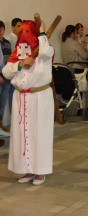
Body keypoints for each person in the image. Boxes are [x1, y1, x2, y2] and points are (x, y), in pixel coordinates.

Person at [2, 20, 54, 185]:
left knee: (39, 134)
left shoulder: (45, 50)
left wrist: (43, 33)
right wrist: (20, 64)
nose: (24, 34)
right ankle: (28, 170)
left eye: (28, 31)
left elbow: (46, 52)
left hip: (39, 98)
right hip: (20, 98)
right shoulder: (18, 51)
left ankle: (40, 171)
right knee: (22, 135)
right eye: (21, 31)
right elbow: (6, 71)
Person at [0, 20, 11, 137]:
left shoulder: (7, 43)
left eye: (1, 30)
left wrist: (11, 74)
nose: (0, 32)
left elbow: (10, 59)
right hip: (0, 75)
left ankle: (1, 125)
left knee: (2, 104)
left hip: (6, 76)